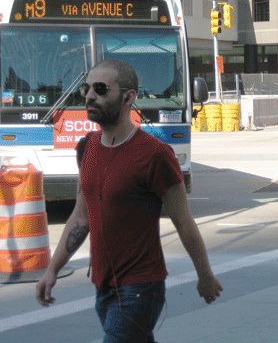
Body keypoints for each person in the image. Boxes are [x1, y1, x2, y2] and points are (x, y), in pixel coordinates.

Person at [36, 59, 223, 343]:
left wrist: (204, 275)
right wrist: (52, 269)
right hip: (103, 285)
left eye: (100, 89)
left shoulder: (155, 155)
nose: (89, 95)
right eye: (87, 88)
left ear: (128, 97)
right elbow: (80, 217)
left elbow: (183, 222)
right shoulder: (86, 148)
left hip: (140, 288)